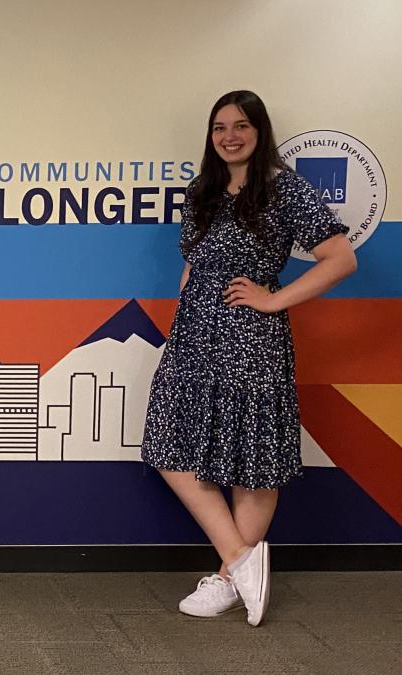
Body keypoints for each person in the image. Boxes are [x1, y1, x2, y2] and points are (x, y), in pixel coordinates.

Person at [141, 90, 358, 626]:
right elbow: (193, 263)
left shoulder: (284, 190)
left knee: (252, 463)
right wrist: (183, 316)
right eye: (219, 127)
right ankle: (242, 560)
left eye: (240, 125)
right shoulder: (203, 191)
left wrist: (272, 298)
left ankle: (225, 579)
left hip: (251, 339)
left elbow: (341, 257)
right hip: (195, 335)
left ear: (259, 131)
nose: (229, 136)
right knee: (171, 445)